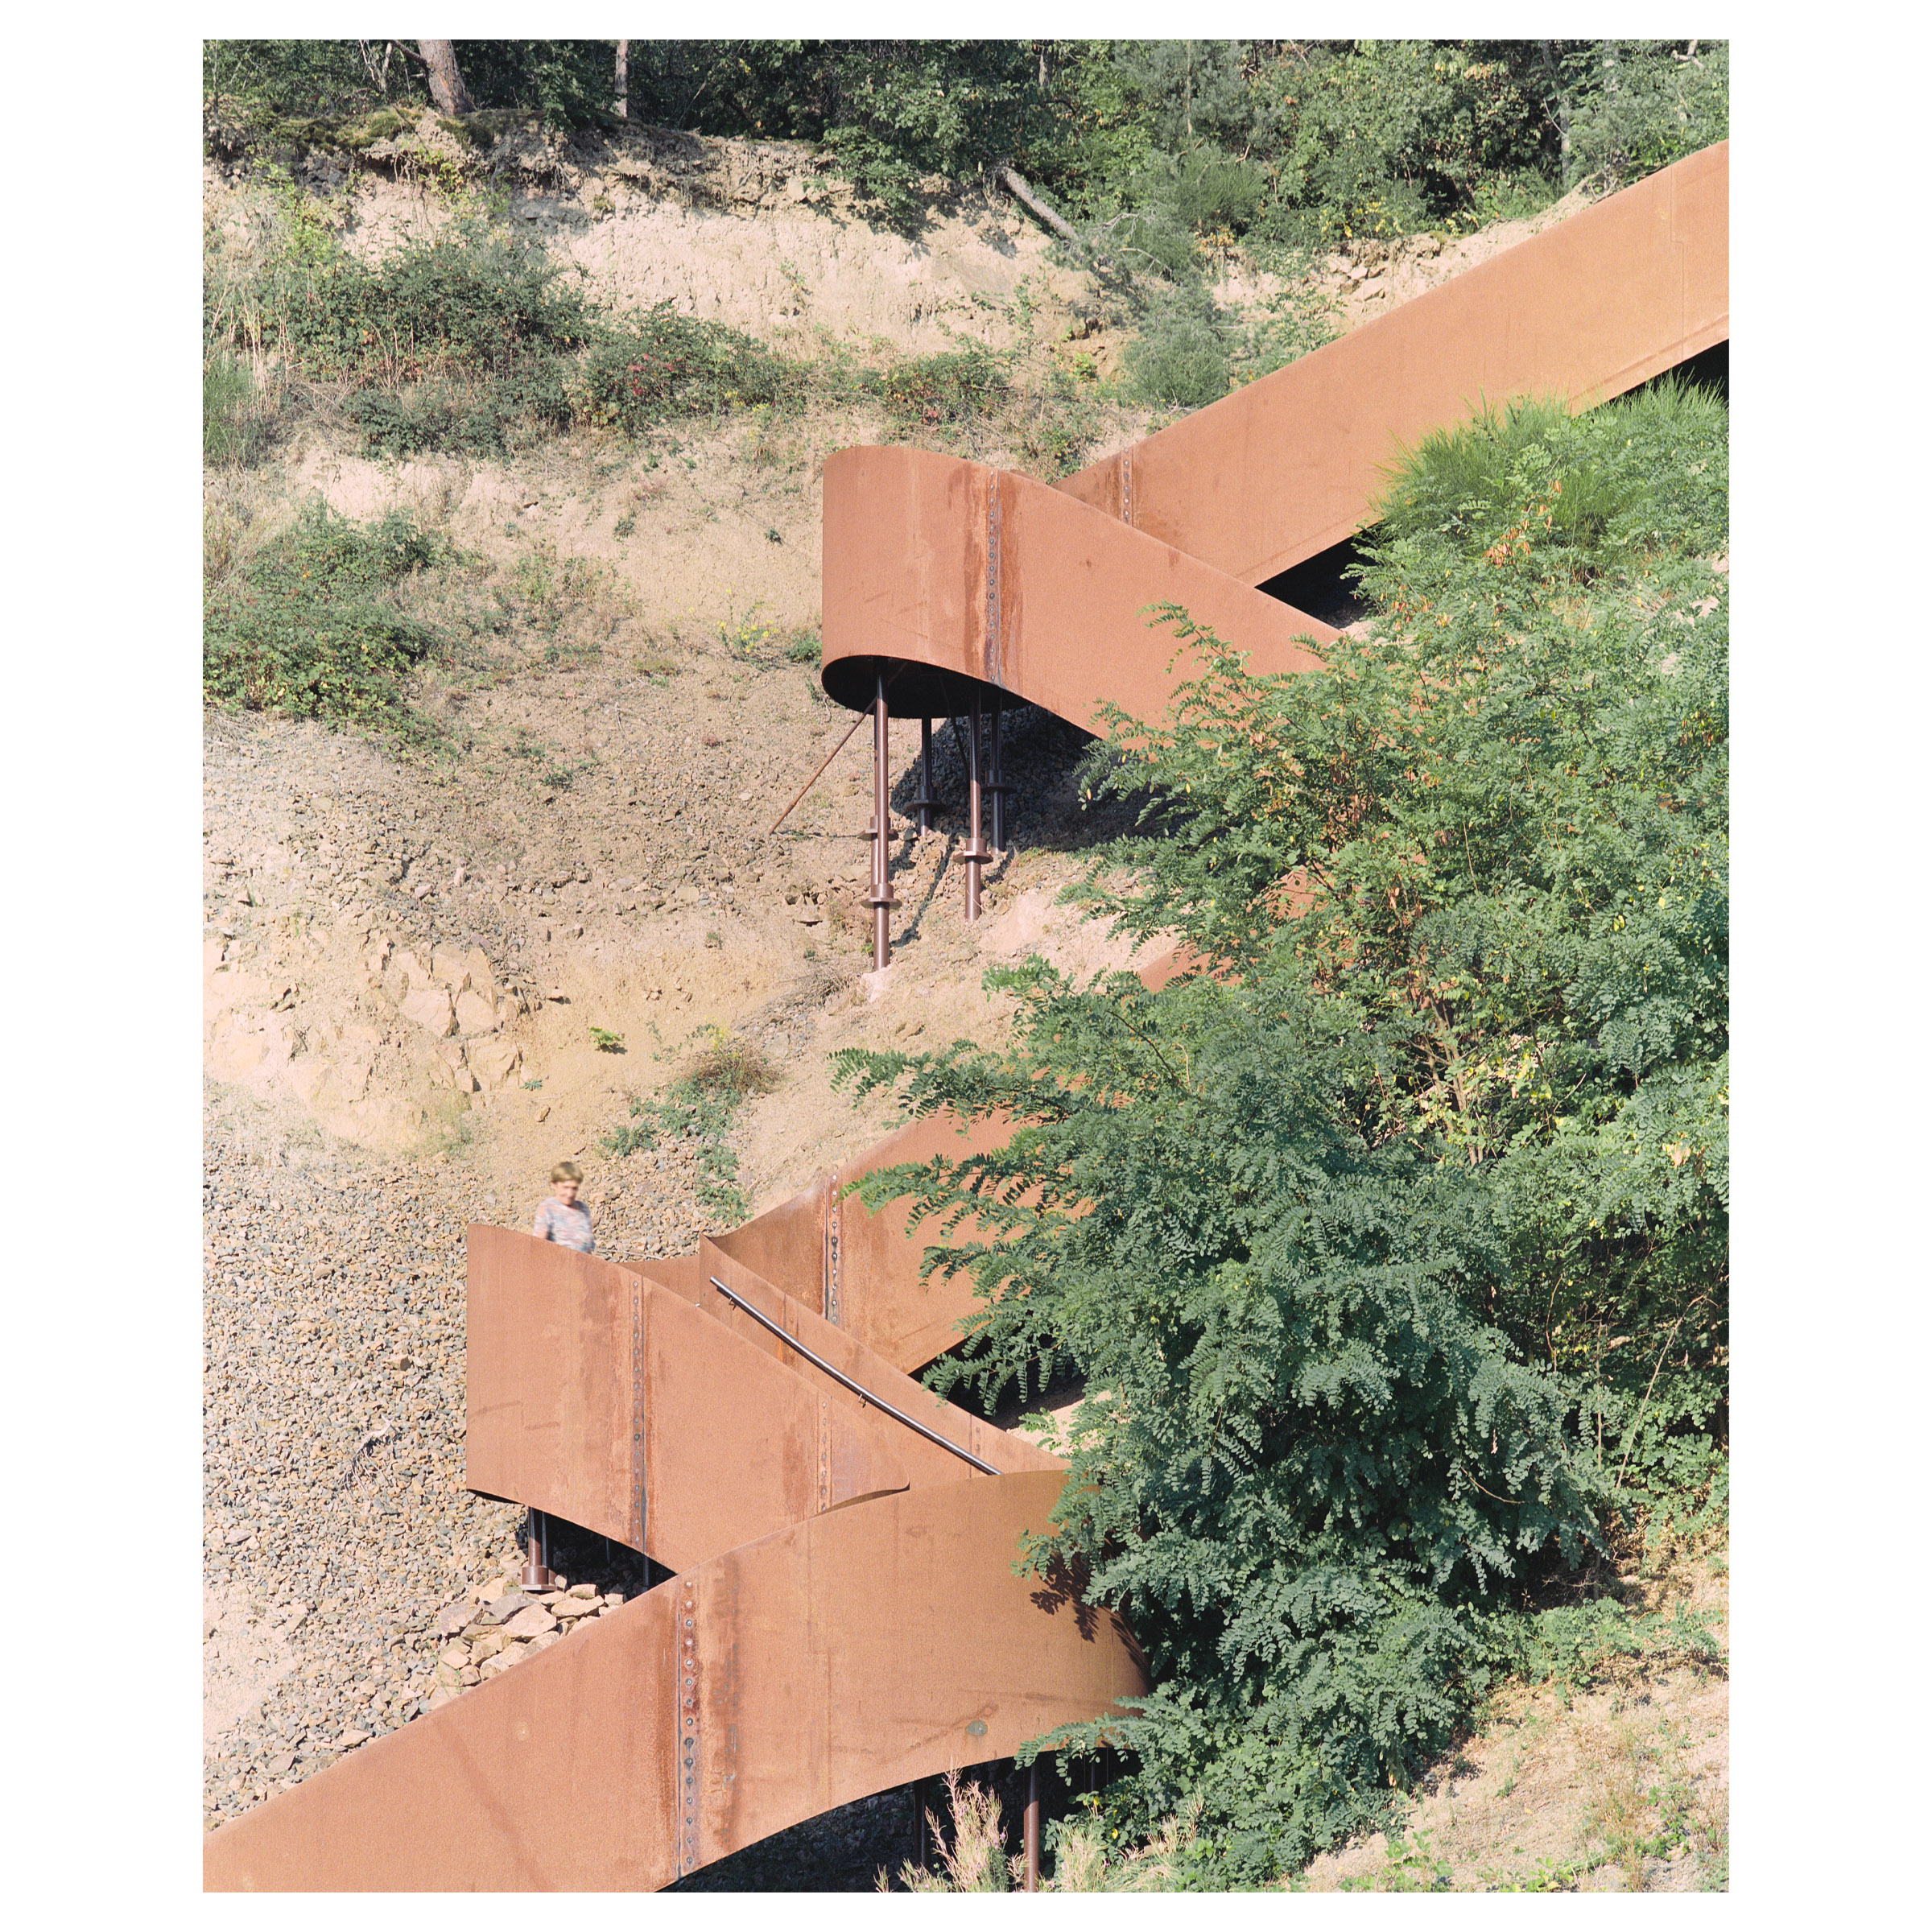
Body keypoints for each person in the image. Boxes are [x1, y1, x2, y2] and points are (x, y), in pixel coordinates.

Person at [532, 1161, 594, 1253]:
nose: (570, 1194)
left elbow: (588, 1249)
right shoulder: (548, 1208)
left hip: (583, 1266)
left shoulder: (583, 1209)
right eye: (565, 1187)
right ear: (554, 1184)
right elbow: (538, 1247)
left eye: (574, 1188)